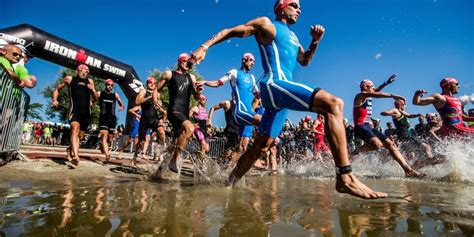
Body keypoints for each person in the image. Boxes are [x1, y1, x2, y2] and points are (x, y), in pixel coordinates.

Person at [191, 0, 387, 199]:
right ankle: (345, 177)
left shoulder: (293, 37)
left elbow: (304, 61)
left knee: (262, 145)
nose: (299, 9)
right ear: (281, 8)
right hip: (274, 83)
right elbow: (231, 30)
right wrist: (204, 46)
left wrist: (315, 42)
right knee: (334, 104)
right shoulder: (267, 24)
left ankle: (228, 184)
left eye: (300, 7)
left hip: (281, 94)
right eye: (294, 5)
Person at [201, 53, 262, 168]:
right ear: (244, 60)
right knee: (265, 121)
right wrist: (205, 82)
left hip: (250, 114)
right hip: (241, 113)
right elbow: (218, 83)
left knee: (242, 148)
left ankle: (226, 172)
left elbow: (257, 94)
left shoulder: (252, 77)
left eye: (254, 61)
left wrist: (267, 92)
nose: (253, 63)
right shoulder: (234, 72)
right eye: (251, 60)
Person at [353, 79, 424, 177]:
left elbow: (376, 91)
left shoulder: (369, 94)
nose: (373, 88)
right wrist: (393, 96)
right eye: (371, 86)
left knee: (391, 144)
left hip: (369, 126)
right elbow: (376, 94)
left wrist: (386, 83)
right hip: (360, 126)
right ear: (365, 87)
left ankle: (408, 170)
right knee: (378, 145)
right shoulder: (360, 95)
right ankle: (354, 153)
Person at [153, 53, 202, 173]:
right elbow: (156, 88)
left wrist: (199, 91)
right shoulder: (169, 74)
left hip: (184, 112)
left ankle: (158, 172)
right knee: (189, 128)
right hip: (174, 110)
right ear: (180, 61)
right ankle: (174, 160)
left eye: (190, 62)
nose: (188, 64)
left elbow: (196, 97)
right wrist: (155, 99)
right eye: (186, 61)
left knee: (174, 144)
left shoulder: (192, 77)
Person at [52, 64, 99, 165]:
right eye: (82, 71)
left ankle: (70, 149)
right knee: (75, 130)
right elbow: (56, 89)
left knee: (81, 136)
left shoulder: (90, 82)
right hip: (74, 110)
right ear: (77, 70)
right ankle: (76, 156)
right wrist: (55, 100)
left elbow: (95, 99)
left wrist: (93, 90)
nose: (84, 73)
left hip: (86, 112)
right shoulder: (69, 79)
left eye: (87, 72)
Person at [134, 77, 166, 164]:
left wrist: (162, 109)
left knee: (162, 133)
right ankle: (135, 155)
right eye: (150, 82)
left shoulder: (157, 94)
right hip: (145, 119)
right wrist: (149, 97)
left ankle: (161, 155)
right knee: (141, 141)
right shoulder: (143, 91)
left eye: (154, 83)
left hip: (154, 118)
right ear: (147, 83)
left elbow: (157, 106)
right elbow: (137, 102)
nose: (152, 84)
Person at [97, 79, 124, 160]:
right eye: (108, 84)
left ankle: (103, 145)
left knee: (110, 138)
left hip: (112, 118)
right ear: (105, 84)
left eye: (112, 85)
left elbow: (122, 104)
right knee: (104, 134)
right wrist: (91, 103)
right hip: (103, 117)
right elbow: (92, 99)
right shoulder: (99, 93)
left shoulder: (115, 95)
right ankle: (107, 154)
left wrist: (121, 106)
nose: (110, 86)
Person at [208, 99, 241, 164]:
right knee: (228, 152)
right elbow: (213, 107)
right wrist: (209, 119)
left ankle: (222, 166)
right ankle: (216, 165)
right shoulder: (227, 103)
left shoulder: (241, 106)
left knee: (237, 151)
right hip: (231, 131)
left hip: (240, 133)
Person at [189, 94, 210, 161]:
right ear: (199, 100)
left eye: (205, 99)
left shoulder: (205, 110)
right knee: (203, 145)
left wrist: (209, 127)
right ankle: (201, 165)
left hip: (205, 130)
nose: (205, 101)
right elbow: (187, 117)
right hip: (198, 129)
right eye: (203, 99)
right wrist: (192, 124)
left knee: (206, 149)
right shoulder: (195, 108)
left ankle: (194, 155)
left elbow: (206, 121)